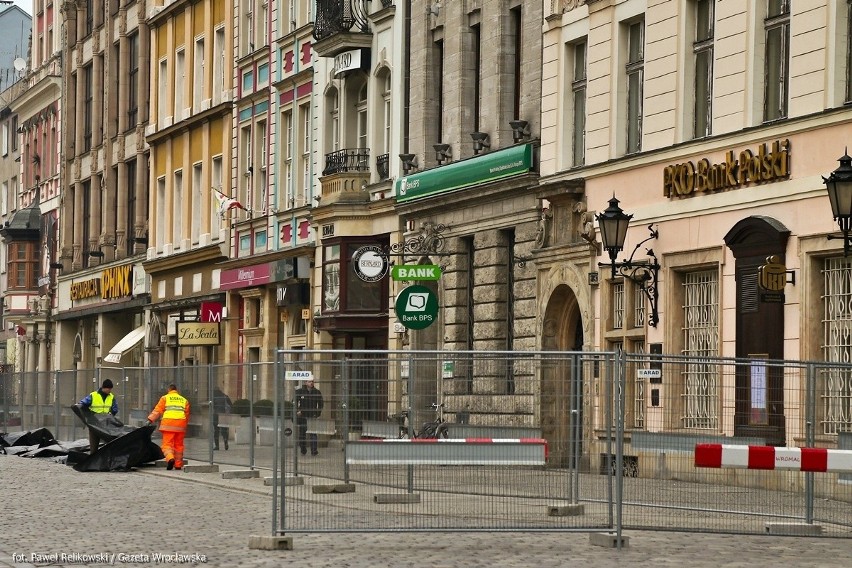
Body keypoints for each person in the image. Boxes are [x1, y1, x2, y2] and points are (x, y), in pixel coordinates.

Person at [147, 384, 190, 470]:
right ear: (176, 390)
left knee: (167, 444)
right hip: (180, 425)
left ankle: (170, 458)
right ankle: (178, 465)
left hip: (168, 424)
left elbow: (158, 410)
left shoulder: (165, 398)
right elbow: (187, 414)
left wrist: (150, 420)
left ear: (169, 390)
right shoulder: (184, 400)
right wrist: (184, 425)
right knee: (179, 446)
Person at [77, 379, 119, 455]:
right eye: (108, 388)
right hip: (94, 424)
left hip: (105, 423)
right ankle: (93, 459)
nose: (109, 390)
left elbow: (115, 409)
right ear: (103, 387)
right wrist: (88, 416)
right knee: (94, 445)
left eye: (110, 389)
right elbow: (82, 404)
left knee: (108, 444)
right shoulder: (93, 395)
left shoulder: (111, 397)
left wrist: (111, 415)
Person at [295, 379, 323, 456]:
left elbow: (321, 404)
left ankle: (314, 451)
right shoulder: (300, 391)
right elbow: (294, 402)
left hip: (312, 416)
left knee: (313, 434)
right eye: (309, 381)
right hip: (303, 416)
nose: (311, 383)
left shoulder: (317, 392)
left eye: (312, 381)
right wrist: (298, 411)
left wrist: (317, 414)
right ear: (305, 382)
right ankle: (303, 449)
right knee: (302, 434)